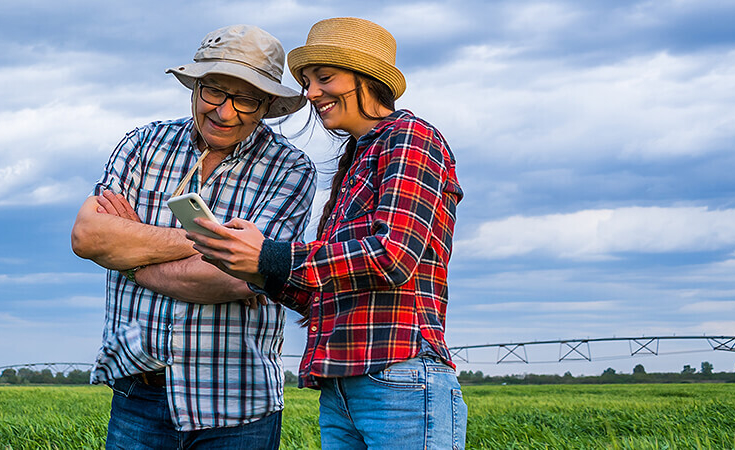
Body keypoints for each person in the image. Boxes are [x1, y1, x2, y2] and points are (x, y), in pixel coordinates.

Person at [184, 17, 468, 449]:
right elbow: (326, 290)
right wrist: (252, 266)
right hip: (342, 385)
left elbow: (392, 256)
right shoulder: (354, 160)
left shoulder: (410, 137)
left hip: (399, 376)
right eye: (306, 80)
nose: (310, 92)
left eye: (323, 78)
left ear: (366, 78)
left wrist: (271, 256)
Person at [70, 24, 316, 448]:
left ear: (267, 105)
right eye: (215, 92)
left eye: (246, 99)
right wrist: (221, 245)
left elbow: (236, 278)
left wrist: (130, 258)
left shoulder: (291, 169)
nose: (224, 111)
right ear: (195, 87)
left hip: (239, 403)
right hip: (139, 389)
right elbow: (89, 237)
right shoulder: (142, 145)